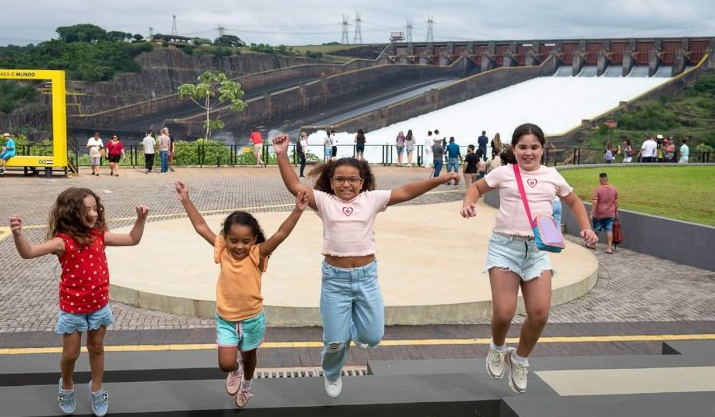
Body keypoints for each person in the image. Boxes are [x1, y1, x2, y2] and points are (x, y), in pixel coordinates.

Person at [272, 133, 457, 398]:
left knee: (371, 339)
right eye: (339, 179)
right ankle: (333, 374)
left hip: (366, 278)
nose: (346, 184)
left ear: (362, 182)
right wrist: (281, 153)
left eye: (352, 180)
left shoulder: (371, 199)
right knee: (335, 343)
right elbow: (294, 185)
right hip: (335, 281)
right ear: (330, 181)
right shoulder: (325, 202)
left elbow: (405, 191)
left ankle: (353, 332)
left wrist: (439, 179)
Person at [460, 123, 597, 394]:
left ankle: (520, 359)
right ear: (513, 148)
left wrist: (586, 227)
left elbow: (574, 202)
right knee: (504, 312)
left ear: (542, 149)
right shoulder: (504, 173)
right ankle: (497, 348)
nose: (528, 153)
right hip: (505, 247)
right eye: (522, 147)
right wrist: (468, 203)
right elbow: (476, 188)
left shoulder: (552, 175)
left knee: (539, 314)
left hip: (536, 251)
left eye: (534, 147)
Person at [9, 187, 149, 416]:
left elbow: (133, 239)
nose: (94, 214)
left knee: (96, 348)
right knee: (71, 353)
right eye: (87, 210)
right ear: (72, 213)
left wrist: (140, 219)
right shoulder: (62, 242)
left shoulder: (100, 235)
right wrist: (18, 235)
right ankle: (66, 384)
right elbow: (29, 252)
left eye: (95, 208)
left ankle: (97, 388)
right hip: (73, 309)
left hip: (99, 306)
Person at [174, 181, 307, 408]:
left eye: (246, 241)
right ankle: (235, 372)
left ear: (254, 240)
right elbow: (200, 226)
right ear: (226, 238)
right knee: (226, 363)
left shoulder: (257, 254)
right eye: (234, 240)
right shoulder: (222, 250)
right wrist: (186, 199)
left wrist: (297, 210)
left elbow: (280, 234)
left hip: (252, 318)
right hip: (226, 318)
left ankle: (246, 383)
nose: (239, 246)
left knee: (250, 357)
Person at [590, 173, 619, 254]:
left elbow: (595, 202)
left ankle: (593, 244)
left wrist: (591, 213)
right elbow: (616, 202)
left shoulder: (598, 189)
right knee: (609, 230)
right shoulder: (614, 189)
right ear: (607, 179)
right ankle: (609, 248)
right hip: (610, 213)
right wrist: (616, 212)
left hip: (599, 213)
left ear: (600, 180)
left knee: (596, 229)